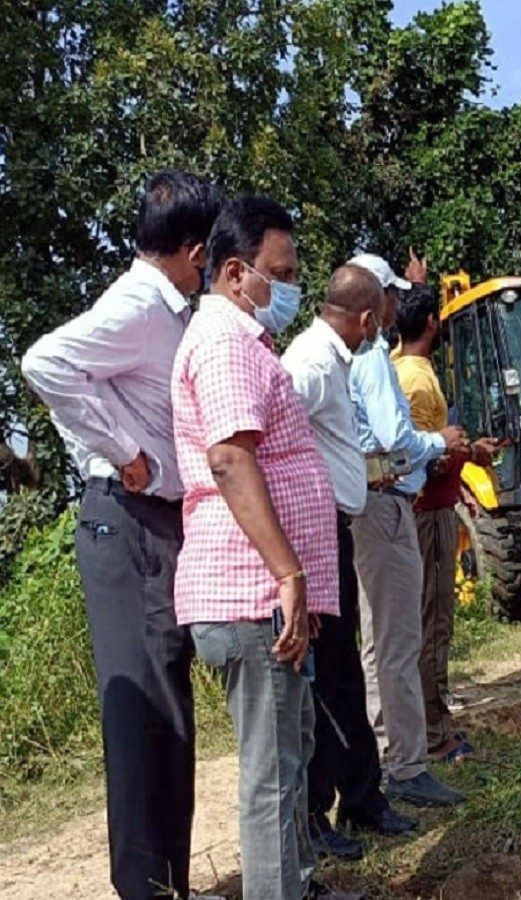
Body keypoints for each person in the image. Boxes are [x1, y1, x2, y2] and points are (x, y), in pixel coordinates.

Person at [21, 172, 221, 900]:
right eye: (208, 258)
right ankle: (145, 888)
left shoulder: (166, 310)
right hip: (127, 520)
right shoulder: (138, 305)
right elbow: (43, 363)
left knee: (169, 705)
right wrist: (125, 451)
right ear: (193, 250)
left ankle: (167, 881)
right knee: (141, 711)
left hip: (157, 523)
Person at [172, 195, 342, 899]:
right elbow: (230, 461)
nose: (294, 284)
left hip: (266, 594)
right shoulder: (223, 344)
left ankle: (296, 885)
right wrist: (288, 573)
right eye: (284, 270)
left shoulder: (246, 342)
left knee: (290, 756)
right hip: (253, 594)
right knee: (271, 775)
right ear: (237, 273)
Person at [280, 267, 416, 862]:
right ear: (365, 320)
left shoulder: (330, 359)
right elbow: (267, 443)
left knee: (344, 675)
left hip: (333, 529)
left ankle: (361, 797)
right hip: (310, 537)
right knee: (325, 682)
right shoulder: (308, 366)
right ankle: (316, 813)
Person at [346, 251, 469, 808]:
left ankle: (389, 756)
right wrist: (441, 443)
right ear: (373, 302)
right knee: (398, 642)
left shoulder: (371, 357)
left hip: (380, 501)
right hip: (387, 502)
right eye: (391, 293)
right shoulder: (373, 360)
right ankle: (407, 764)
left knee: (384, 643)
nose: (397, 303)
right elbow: (396, 441)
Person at [392, 279, 499, 762]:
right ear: (433, 323)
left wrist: (469, 453)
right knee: (433, 623)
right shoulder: (418, 380)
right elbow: (418, 458)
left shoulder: (399, 368)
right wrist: (455, 448)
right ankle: (436, 734)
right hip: (428, 514)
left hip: (426, 509)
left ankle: (427, 724)